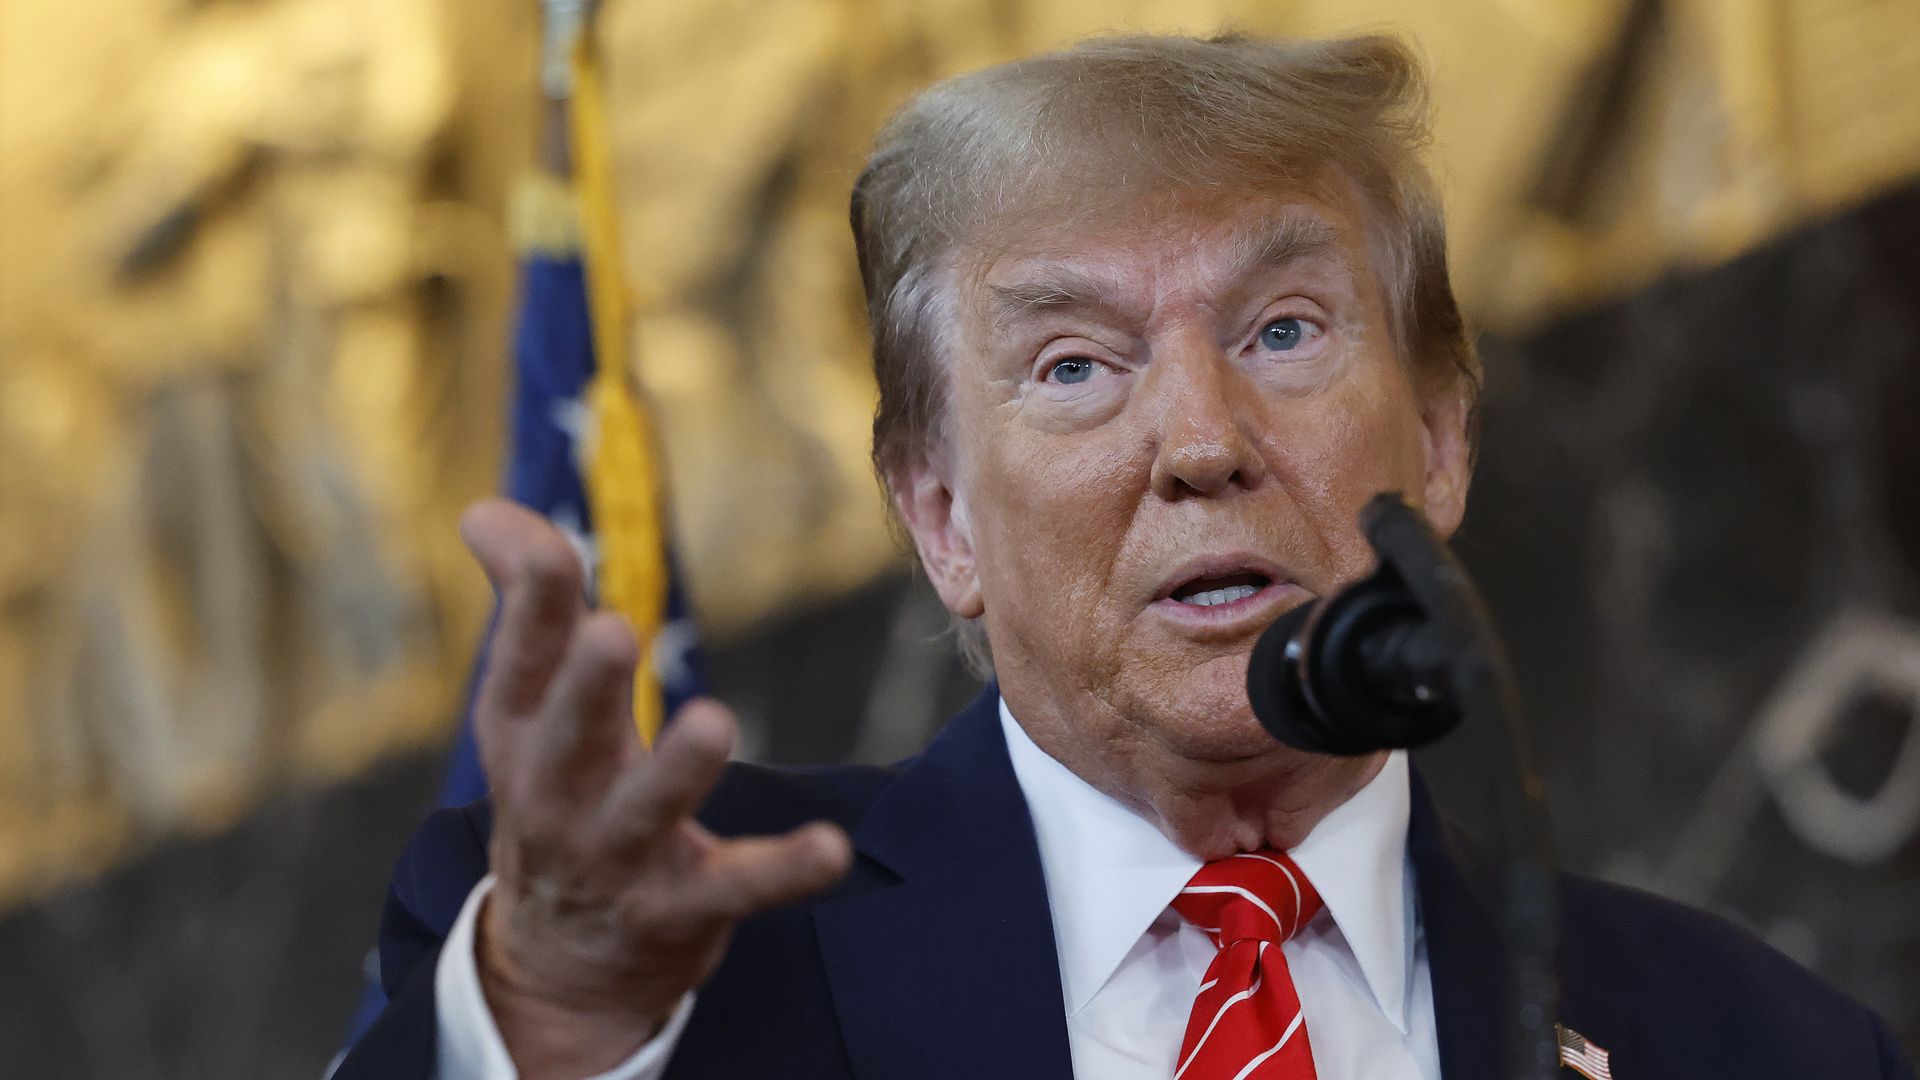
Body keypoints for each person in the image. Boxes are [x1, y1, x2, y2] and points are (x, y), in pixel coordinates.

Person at [335, 33, 1915, 1080]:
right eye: (1076, 365)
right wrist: (542, 1025)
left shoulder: (1757, 1042)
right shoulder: (674, 983)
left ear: (1440, 441)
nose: (1202, 439)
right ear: (940, 515)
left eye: (1284, 331)